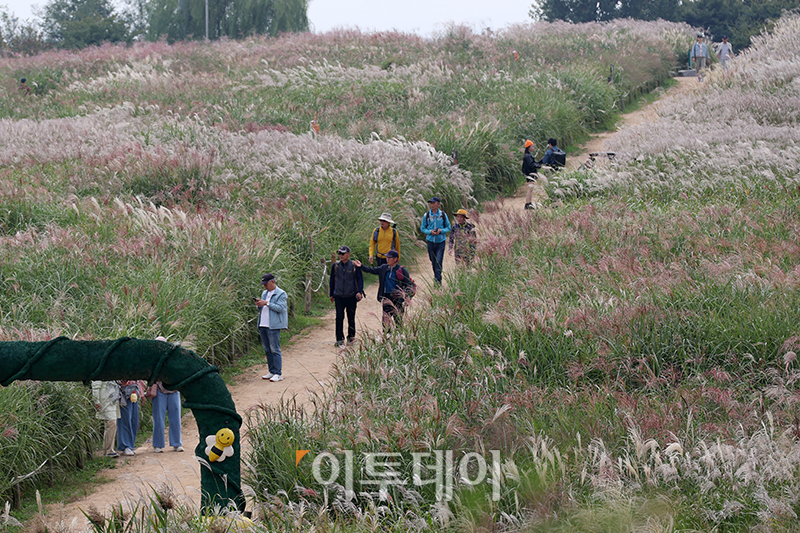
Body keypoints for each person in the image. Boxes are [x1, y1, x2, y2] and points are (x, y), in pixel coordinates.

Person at [353, 250, 412, 328]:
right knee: (386, 321)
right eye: (387, 257)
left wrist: (407, 296)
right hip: (386, 297)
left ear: (395, 259)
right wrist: (361, 266)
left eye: (389, 257)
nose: (387, 259)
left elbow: (409, 284)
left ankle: (399, 335)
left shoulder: (401, 270)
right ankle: (387, 335)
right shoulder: (384, 268)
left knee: (398, 320)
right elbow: (372, 270)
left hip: (397, 298)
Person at [149, 337, 184, 453]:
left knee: (176, 418)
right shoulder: (153, 359)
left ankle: (177, 444)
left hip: (173, 390)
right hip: (159, 391)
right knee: (158, 419)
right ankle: (158, 445)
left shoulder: (173, 357)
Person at [329, 246, 364, 346]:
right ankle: (339, 339)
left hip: (351, 296)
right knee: (339, 317)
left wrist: (359, 292)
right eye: (339, 253)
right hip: (339, 296)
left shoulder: (354, 266)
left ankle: (351, 337)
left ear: (348, 255)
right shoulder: (336, 266)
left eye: (343, 254)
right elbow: (332, 280)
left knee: (351, 318)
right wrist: (331, 294)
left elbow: (360, 279)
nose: (341, 255)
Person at [256, 273, 289, 381]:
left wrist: (267, 303)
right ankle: (272, 371)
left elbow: (281, 308)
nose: (265, 286)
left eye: (266, 284)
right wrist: (259, 305)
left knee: (274, 349)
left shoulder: (281, 293)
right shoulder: (264, 293)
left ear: (272, 282)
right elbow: (262, 308)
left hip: (273, 325)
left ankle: (278, 373)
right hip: (263, 323)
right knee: (267, 349)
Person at [420, 197, 451, 285]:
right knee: (433, 261)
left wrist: (441, 231)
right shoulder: (426, 215)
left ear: (438, 204)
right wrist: (430, 232)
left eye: (434, 203)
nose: (432, 205)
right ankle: (437, 277)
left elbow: (448, 227)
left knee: (438, 261)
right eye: (431, 203)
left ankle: (437, 281)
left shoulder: (443, 215)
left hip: (441, 242)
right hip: (430, 241)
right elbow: (423, 228)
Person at [91, 380, 120, 458]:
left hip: (112, 402)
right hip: (105, 403)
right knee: (111, 423)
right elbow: (95, 387)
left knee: (111, 425)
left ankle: (108, 449)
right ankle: (109, 450)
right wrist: (97, 401)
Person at [117, 380, 145, 456]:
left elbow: (139, 380)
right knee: (125, 420)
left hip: (134, 391)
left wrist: (142, 394)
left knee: (134, 420)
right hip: (124, 391)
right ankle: (125, 446)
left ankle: (131, 445)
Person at [522, 140, 540, 210]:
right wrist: (537, 165)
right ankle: (528, 204)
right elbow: (531, 165)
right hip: (530, 174)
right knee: (530, 189)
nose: (533, 148)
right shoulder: (528, 156)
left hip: (529, 174)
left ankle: (529, 203)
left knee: (530, 189)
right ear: (529, 147)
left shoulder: (528, 155)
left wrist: (538, 163)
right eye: (532, 146)